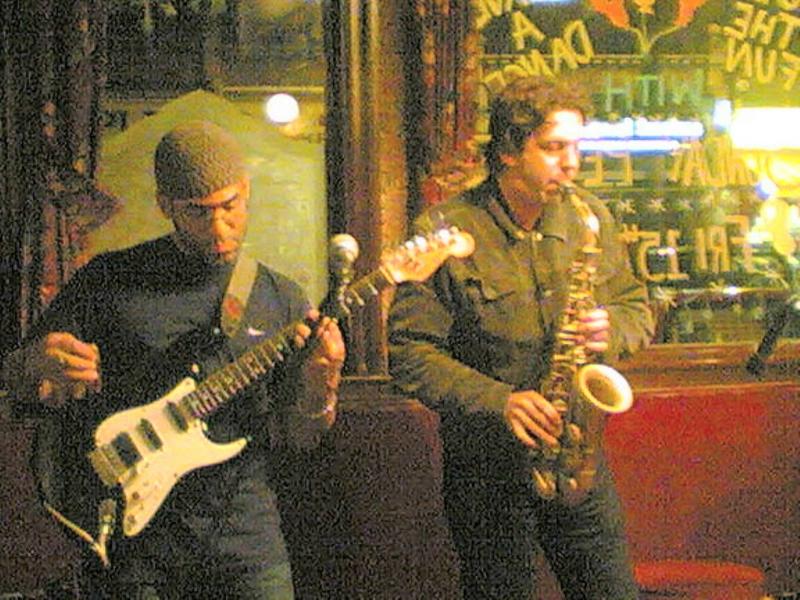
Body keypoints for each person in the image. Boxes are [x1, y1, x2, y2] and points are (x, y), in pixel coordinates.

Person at [2, 120, 345, 599]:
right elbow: (19, 384)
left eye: (230, 206)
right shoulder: (108, 280)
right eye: (198, 212)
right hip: (136, 547)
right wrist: (33, 364)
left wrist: (323, 382)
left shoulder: (280, 298)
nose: (219, 228)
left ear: (246, 191)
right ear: (166, 205)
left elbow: (302, 437)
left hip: (246, 538)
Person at [388, 76, 654, 599]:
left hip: (575, 457)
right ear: (509, 151)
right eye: (553, 148)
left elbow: (635, 306)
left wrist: (612, 328)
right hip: (486, 473)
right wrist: (501, 401)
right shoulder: (445, 230)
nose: (571, 164)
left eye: (576, 147)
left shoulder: (588, 218)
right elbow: (409, 354)